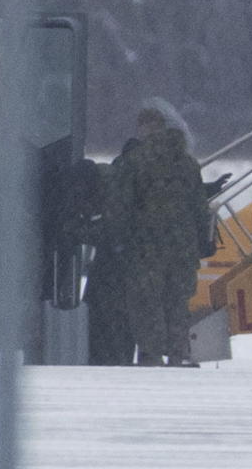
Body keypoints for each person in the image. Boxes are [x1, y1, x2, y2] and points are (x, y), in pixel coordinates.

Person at [116, 109, 210, 367]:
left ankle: (151, 354)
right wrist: (204, 240)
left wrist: (119, 240)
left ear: (145, 128)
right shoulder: (187, 163)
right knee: (178, 301)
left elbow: (123, 205)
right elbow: (200, 207)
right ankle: (179, 352)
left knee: (149, 302)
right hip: (183, 245)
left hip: (147, 244)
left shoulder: (136, 161)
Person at [84, 150, 136, 366]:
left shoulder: (110, 185)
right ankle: (121, 357)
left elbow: (105, 229)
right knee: (124, 315)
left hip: (108, 264)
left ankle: (102, 357)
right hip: (128, 262)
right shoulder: (134, 188)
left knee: (103, 313)